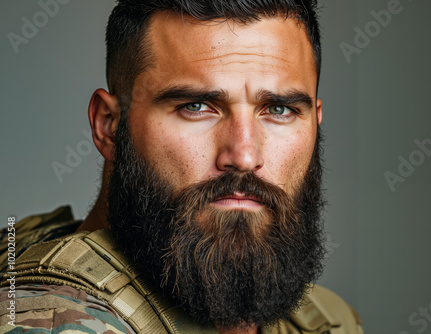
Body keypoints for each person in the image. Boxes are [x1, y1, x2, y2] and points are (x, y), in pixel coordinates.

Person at [0, 1, 363, 333]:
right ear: (109, 126)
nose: (244, 155)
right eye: (196, 106)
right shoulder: (48, 321)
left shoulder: (324, 319)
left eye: (279, 110)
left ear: (315, 122)